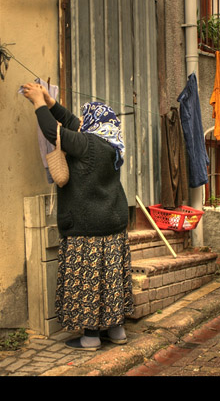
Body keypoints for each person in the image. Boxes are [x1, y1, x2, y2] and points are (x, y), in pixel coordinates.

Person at [21, 82, 134, 351]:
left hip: (87, 229)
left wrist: (37, 102)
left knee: (89, 283)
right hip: (113, 226)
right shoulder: (110, 144)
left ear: (93, 123)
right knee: (110, 281)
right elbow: (74, 123)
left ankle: (91, 337)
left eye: (86, 117)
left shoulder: (86, 145)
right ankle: (117, 331)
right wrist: (51, 103)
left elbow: (53, 132)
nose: (81, 121)